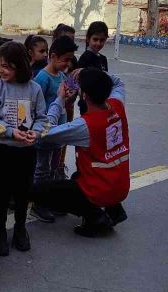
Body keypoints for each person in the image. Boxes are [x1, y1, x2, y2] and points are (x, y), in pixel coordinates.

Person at [33, 68, 129, 237]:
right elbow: (118, 82)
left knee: (37, 191)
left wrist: (60, 99)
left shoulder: (85, 126)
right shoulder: (117, 105)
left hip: (100, 189)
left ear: (84, 95)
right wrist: (91, 73)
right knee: (79, 176)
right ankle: (114, 210)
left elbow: (45, 132)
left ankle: (96, 217)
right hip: (120, 186)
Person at [0, 42, 49, 256]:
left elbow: (42, 118)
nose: (1, 70)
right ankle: (0, 231)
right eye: (0, 65)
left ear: (20, 66)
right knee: (2, 193)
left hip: (27, 151)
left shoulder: (35, 89)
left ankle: (20, 229)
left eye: (7, 66)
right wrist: (11, 132)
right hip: (4, 150)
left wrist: (35, 133)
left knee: (23, 191)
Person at [30, 36, 78, 223]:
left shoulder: (62, 76)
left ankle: (48, 200)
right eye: (65, 59)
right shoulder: (42, 77)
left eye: (70, 59)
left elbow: (68, 96)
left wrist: (71, 95)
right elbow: (35, 105)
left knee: (53, 168)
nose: (68, 63)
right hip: (45, 132)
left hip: (59, 131)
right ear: (53, 56)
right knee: (41, 169)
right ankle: (37, 204)